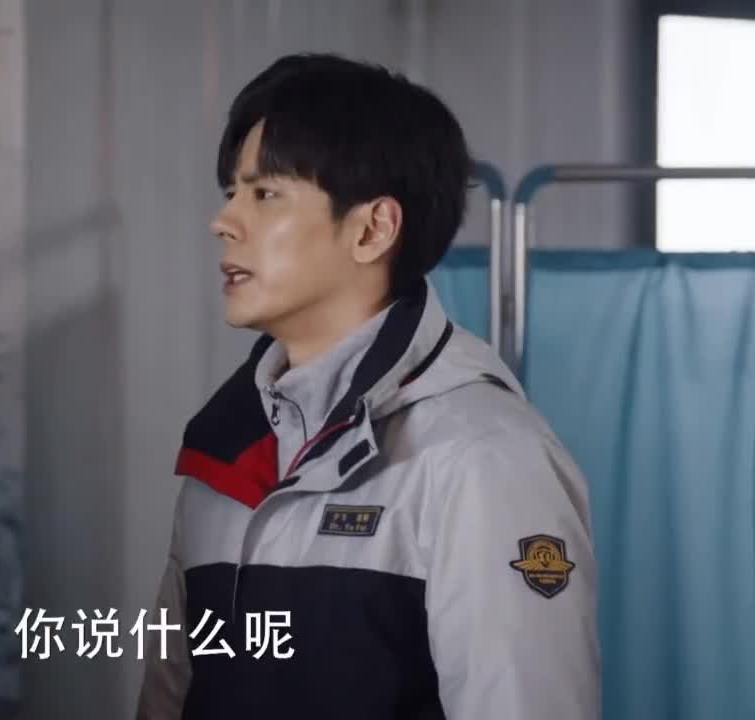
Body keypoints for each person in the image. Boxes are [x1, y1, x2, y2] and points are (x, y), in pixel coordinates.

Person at [136, 53, 599, 719]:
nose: (224, 221)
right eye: (231, 192)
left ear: (372, 228)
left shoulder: (483, 458)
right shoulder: (224, 450)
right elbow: (170, 696)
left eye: (264, 195)